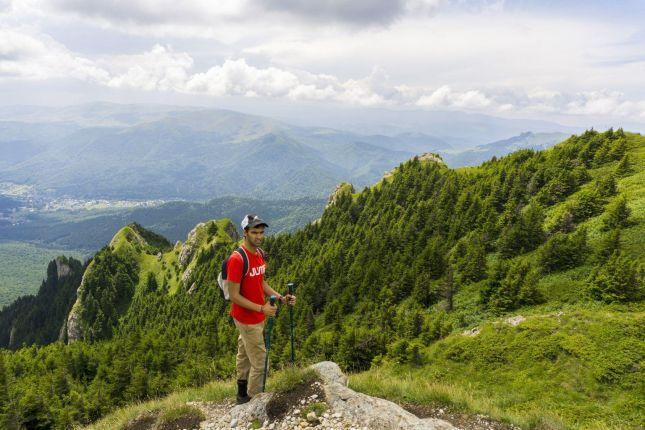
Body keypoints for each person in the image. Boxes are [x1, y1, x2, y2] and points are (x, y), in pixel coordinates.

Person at [227, 214, 296, 404]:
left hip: (257, 315)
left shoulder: (258, 254)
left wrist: (281, 298)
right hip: (247, 318)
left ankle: (241, 395)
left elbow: (261, 283)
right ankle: (253, 401)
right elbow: (233, 295)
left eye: (261, 232)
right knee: (260, 363)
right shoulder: (237, 259)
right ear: (245, 233)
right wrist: (261, 309)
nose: (259, 236)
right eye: (254, 232)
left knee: (244, 353)